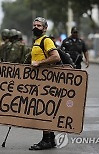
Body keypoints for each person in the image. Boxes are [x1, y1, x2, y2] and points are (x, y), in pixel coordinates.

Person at [29, 17, 61, 150]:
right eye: (35, 25)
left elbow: (56, 57)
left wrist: (39, 63)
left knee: (43, 109)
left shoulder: (46, 41)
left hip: (46, 81)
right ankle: (51, 138)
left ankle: (46, 140)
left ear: (45, 28)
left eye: (39, 26)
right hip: (39, 81)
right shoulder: (37, 41)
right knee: (46, 108)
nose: (36, 27)